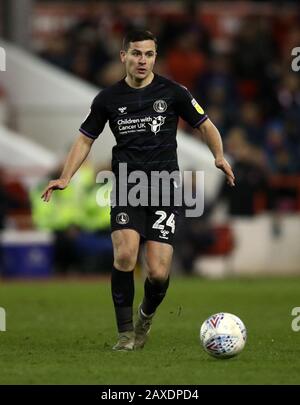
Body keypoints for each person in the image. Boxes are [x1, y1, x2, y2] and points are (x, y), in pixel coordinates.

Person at [41, 30, 235, 351]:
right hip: (128, 186)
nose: (142, 60)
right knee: (126, 254)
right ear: (123, 57)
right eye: (136, 54)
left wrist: (218, 155)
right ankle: (126, 334)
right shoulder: (107, 99)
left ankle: (145, 315)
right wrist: (65, 176)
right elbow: (85, 138)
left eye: (148, 54)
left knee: (158, 272)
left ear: (155, 57)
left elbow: (206, 125)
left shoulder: (174, 92)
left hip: (164, 188)